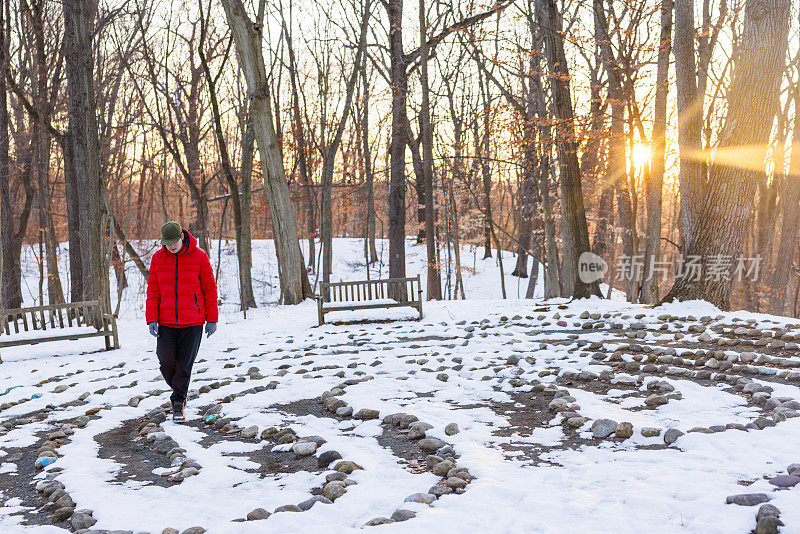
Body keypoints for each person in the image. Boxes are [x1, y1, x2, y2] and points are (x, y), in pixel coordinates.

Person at [146, 221, 218, 422]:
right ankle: (179, 388)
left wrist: (212, 319)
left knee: (184, 365)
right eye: (167, 243)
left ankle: (178, 403)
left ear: (182, 237)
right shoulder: (158, 258)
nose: (171, 246)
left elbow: (210, 290)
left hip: (193, 322)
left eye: (174, 241)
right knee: (166, 361)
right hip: (166, 322)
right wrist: (151, 318)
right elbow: (152, 291)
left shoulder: (199, 256)